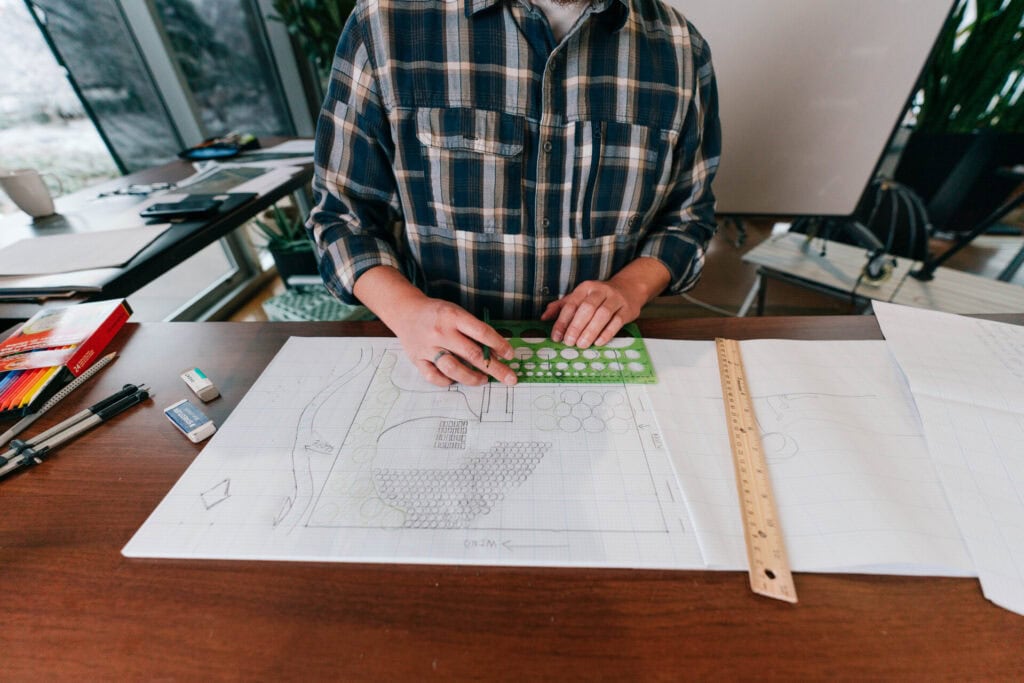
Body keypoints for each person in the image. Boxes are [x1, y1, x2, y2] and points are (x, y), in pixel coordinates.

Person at [307, 0, 721, 387]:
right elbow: (342, 215)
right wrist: (407, 311)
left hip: (599, 364)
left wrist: (632, 287)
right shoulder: (387, 23)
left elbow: (687, 219)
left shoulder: (681, 49)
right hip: (441, 367)